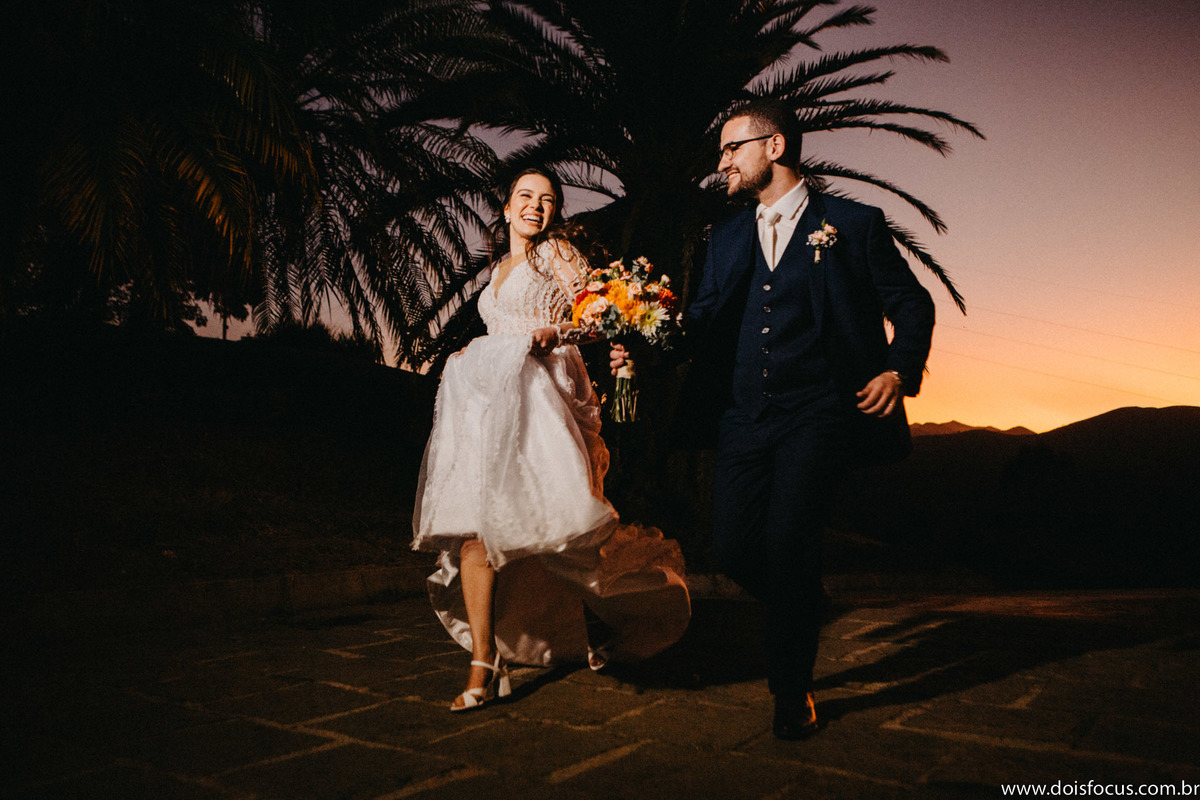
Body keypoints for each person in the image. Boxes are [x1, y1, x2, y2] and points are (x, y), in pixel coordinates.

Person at [611, 99, 935, 739]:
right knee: (733, 548)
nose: (722, 163)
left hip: (818, 415)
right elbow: (701, 322)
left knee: (789, 547)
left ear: (776, 147)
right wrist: (644, 340)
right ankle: (802, 603)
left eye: (732, 149)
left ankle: (792, 689)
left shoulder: (852, 222)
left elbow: (913, 303)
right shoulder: (725, 237)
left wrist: (897, 370)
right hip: (742, 417)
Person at [412, 167, 691, 712]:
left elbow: (597, 316)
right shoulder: (497, 269)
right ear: (507, 206)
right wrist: (476, 351)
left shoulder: (557, 253)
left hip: (544, 400)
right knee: (477, 529)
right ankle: (484, 660)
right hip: (490, 408)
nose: (536, 206)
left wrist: (555, 331)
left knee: (559, 532)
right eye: (526, 197)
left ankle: (628, 613)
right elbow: (500, 327)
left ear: (555, 212)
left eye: (548, 200)